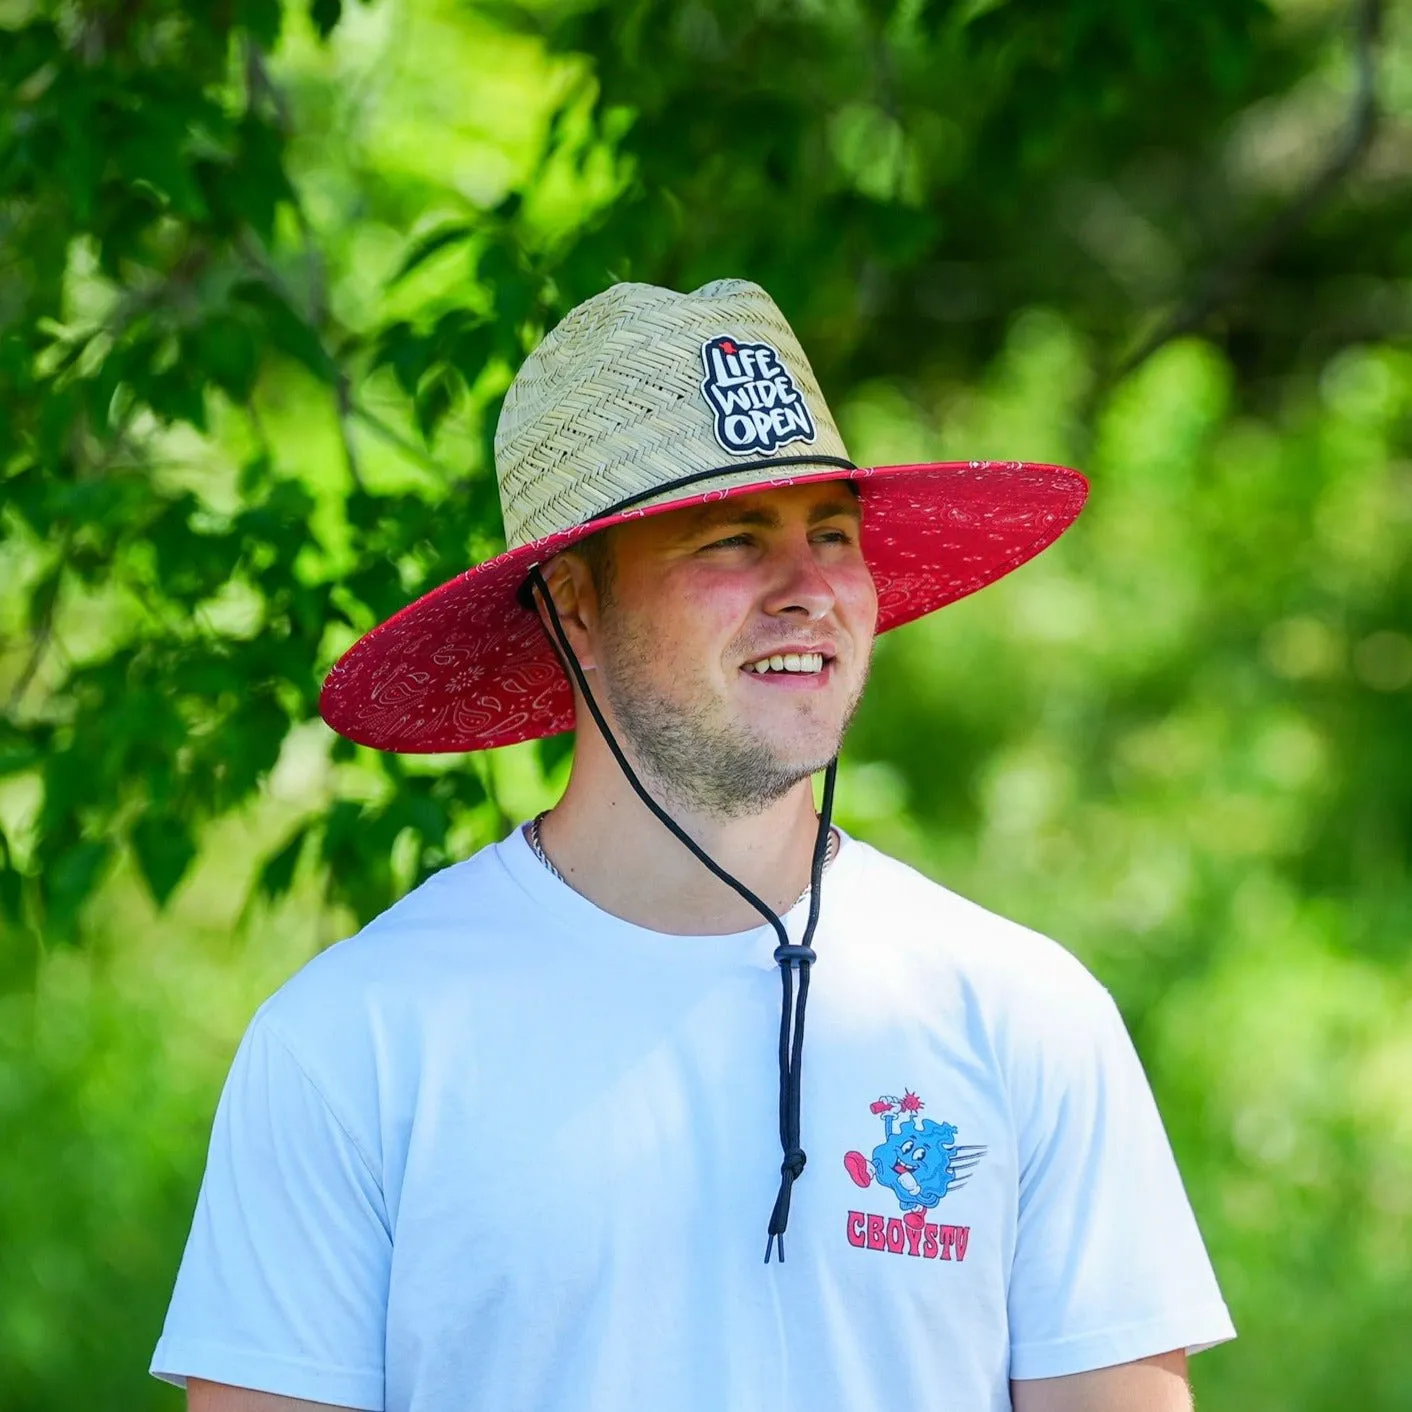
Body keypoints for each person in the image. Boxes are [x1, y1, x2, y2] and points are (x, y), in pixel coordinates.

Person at [151, 279, 1235, 1412]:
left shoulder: (1019, 1012)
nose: (811, 590)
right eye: (733, 539)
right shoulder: (355, 1039)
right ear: (573, 603)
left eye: (831, 534)